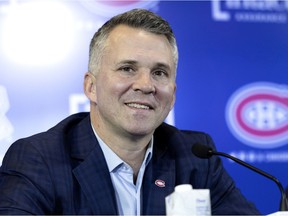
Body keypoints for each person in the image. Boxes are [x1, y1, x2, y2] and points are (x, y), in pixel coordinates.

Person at [0, 8, 260, 215]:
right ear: (91, 87)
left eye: (159, 73)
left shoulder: (196, 156)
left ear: (173, 94)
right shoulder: (39, 159)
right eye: (127, 68)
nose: (146, 85)